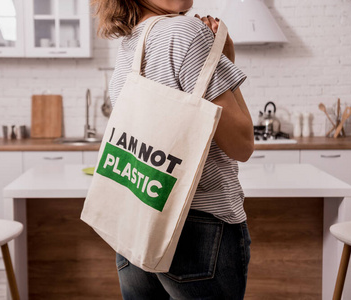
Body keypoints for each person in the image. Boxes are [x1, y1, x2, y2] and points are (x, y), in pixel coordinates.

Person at [92, 0, 254, 299]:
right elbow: (242, 145)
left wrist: (218, 63)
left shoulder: (132, 40)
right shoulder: (187, 32)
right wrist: (226, 60)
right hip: (199, 227)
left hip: (137, 220)